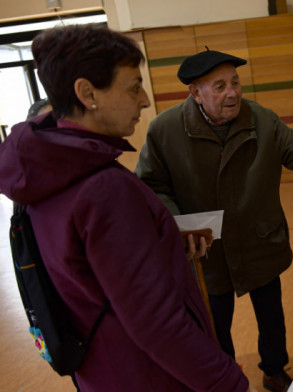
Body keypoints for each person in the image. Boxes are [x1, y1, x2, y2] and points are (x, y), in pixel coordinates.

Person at [0, 25, 250, 392]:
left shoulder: (43, 168)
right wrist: (229, 384)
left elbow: (88, 270)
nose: (145, 100)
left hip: (100, 369)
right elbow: (158, 322)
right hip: (148, 374)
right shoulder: (104, 187)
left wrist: (158, 242)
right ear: (87, 93)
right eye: (134, 86)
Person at [135, 49, 293, 392]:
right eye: (219, 86)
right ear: (195, 93)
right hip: (205, 248)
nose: (232, 92)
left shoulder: (261, 119)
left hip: (259, 239)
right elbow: (150, 185)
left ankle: (274, 370)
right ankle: (223, 378)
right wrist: (179, 225)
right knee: (214, 324)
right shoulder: (165, 130)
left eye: (235, 83)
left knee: (272, 317)